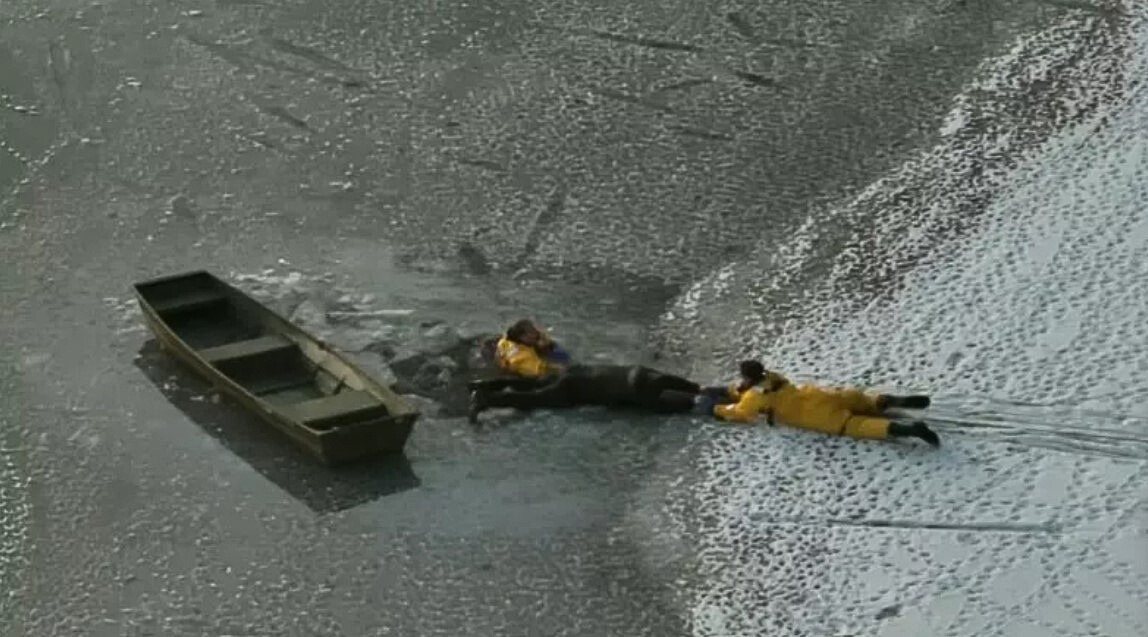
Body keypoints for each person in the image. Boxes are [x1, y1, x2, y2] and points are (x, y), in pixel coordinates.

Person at [696, 360, 940, 446]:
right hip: (816, 395)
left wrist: (713, 406)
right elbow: (753, 390)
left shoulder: (752, 398)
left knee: (858, 425)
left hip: (811, 413)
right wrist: (729, 389)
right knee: (856, 399)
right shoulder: (773, 377)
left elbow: (740, 412)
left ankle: (908, 429)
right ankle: (884, 401)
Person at [467, 363, 703, 424]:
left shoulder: (642, 372)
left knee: (533, 383)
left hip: (578, 372)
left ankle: (487, 385)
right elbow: (664, 405)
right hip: (575, 390)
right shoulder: (640, 392)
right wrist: (694, 401)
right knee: (533, 399)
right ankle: (487, 399)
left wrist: (696, 387)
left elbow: (669, 381)